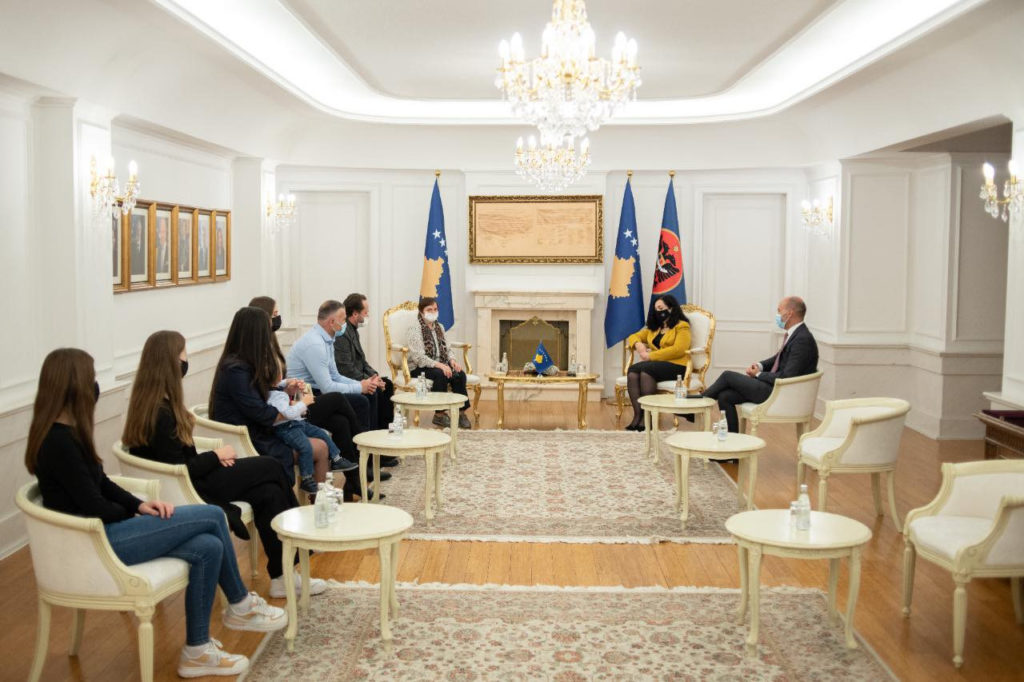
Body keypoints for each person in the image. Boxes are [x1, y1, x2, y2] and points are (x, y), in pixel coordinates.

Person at [25, 348, 286, 678]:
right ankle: (240, 604)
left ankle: (196, 651)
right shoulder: (58, 443)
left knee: (209, 547)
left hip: (104, 531)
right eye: (91, 379)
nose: (95, 386)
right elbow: (95, 506)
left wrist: (139, 505)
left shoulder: (67, 434)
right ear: (74, 386)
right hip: (98, 541)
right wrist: (134, 514)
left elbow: (101, 483)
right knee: (211, 515)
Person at [122, 330, 329, 599]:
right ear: (172, 363)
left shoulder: (151, 403)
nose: (187, 361)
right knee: (271, 466)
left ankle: (282, 575)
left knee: (268, 492)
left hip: (191, 478)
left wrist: (213, 457)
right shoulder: (160, 413)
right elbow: (183, 468)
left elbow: (179, 461)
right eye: (184, 356)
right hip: (191, 486)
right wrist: (216, 456)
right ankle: (300, 543)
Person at [252, 296, 388, 500]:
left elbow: (335, 376)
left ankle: (354, 480)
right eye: (343, 319)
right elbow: (327, 386)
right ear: (332, 322)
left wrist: (361, 384)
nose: (345, 323)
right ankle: (364, 449)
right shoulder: (314, 344)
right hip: (298, 401)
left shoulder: (327, 340)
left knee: (341, 421)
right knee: (349, 400)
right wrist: (359, 387)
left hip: (301, 396)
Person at [209, 307, 330, 484]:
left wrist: (285, 392)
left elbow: (260, 397)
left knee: (320, 439)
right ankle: (318, 499)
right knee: (320, 447)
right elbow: (262, 413)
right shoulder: (236, 370)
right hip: (250, 440)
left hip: (258, 430)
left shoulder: (241, 363)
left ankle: (317, 497)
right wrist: (297, 407)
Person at [700, 296, 819, 433]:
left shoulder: (802, 339)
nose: (777, 314)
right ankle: (733, 443)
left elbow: (787, 376)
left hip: (780, 394)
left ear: (789, 313)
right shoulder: (796, 334)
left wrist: (759, 374)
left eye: (779, 310)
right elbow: (778, 358)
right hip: (775, 388)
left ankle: (700, 402)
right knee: (725, 396)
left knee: (728, 376)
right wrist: (760, 365)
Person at [266, 367, 357, 495]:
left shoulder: (278, 390)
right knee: (305, 446)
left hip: (297, 423)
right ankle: (307, 478)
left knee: (321, 434)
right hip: (287, 427)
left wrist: (289, 383)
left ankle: (336, 459)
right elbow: (288, 413)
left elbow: (281, 386)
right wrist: (303, 403)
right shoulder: (275, 396)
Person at [623, 295, 691, 431]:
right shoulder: (655, 329)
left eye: (661, 308)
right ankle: (638, 416)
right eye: (656, 309)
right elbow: (633, 336)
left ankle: (647, 418)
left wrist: (650, 356)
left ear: (670, 308)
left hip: (677, 365)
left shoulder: (682, 326)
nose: (658, 312)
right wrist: (638, 344)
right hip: (657, 366)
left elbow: (679, 349)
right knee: (633, 373)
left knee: (644, 370)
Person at [406, 297, 472, 429]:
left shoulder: (439, 327)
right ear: (421, 312)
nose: (433, 312)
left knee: (459, 374)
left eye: (435, 309)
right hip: (419, 367)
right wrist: (440, 365)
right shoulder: (414, 329)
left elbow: (448, 349)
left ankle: (461, 413)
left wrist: (452, 361)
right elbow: (419, 357)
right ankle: (439, 415)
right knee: (440, 374)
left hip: (439, 364)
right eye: (429, 310)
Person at [335, 292, 394, 430]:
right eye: (366, 312)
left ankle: (384, 430)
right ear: (355, 314)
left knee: (387, 384)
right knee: (374, 390)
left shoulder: (353, 330)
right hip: (348, 380)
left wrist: (375, 376)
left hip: (359, 376)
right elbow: (346, 369)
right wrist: (370, 381)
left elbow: (362, 362)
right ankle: (372, 433)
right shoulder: (342, 334)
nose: (367, 316)